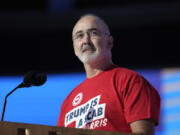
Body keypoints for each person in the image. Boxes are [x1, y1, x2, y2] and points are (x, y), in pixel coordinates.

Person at [57, 14, 160, 135]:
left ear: (109, 42)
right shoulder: (68, 101)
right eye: (79, 36)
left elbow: (143, 133)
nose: (86, 40)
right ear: (74, 47)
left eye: (93, 33)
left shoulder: (129, 81)